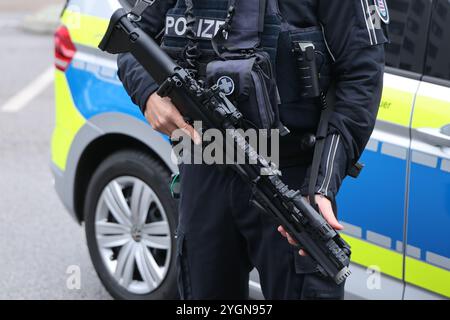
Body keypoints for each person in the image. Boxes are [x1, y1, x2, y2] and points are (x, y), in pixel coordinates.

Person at [117, 0, 388, 299]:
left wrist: (322, 185)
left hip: (289, 181)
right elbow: (130, 38)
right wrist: (148, 95)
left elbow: (361, 76)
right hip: (203, 162)